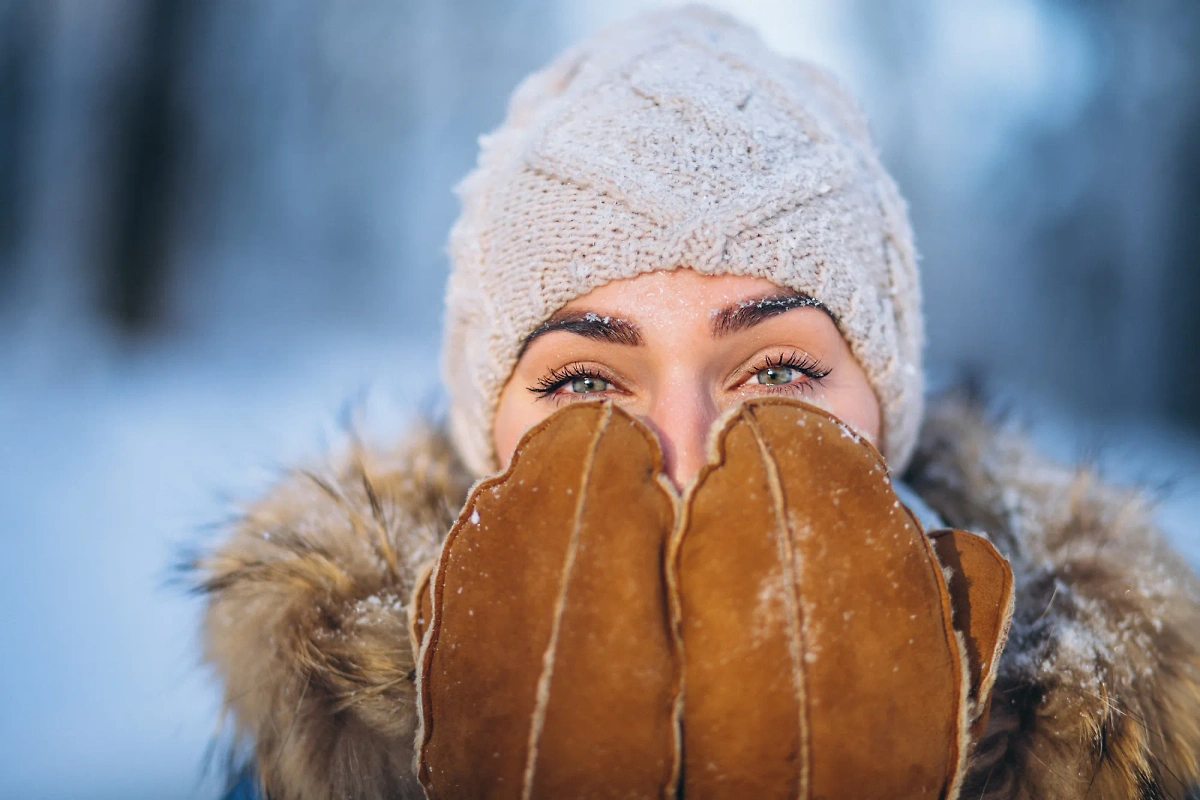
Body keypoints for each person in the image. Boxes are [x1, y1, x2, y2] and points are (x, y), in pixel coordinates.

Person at [194, 7, 1200, 799]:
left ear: (886, 416)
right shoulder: (323, 768)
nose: (682, 457)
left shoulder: (1117, 760)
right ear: (485, 436)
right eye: (585, 382)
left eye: (777, 373)